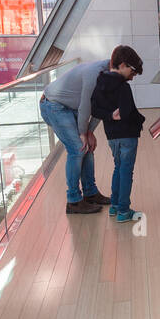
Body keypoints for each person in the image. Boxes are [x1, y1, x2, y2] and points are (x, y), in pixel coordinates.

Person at [39, 55, 114, 214]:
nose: (130, 78)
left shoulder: (109, 75)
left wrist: (89, 132)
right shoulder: (95, 74)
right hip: (53, 105)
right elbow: (86, 106)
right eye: (131, 72)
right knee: (78, 148)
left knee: (87, 147)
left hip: (70, 107)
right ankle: (73, 201)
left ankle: (90, 193)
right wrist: (83, 132)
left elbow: (100, 106)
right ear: (121, 66)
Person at [90, 45, 146, 223]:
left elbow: (94, 109)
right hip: (128, 135)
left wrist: (109, 116)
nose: (132, 75)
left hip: (111, 135)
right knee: (126, 171)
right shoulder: (123, 87)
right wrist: (141, 120)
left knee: (118, 167)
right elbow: (128, 113)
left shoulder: (100, 83)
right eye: (132, 70)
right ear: (122, 65)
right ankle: (123, 210)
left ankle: (114, 205)